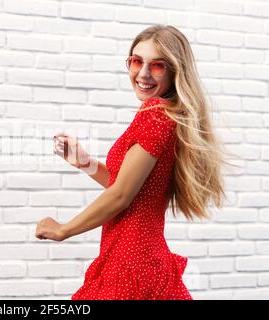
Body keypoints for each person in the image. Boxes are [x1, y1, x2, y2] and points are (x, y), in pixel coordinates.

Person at [35, 24, 239, 300]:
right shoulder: (169, 116)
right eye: (136, 61)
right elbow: (134, 188)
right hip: (143, 257)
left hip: (131, 262)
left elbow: (121, 195)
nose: (142, 74)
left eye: (156, 65)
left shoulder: (154, 115)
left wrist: (63, 229)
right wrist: (86, 164)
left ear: (174, 71)